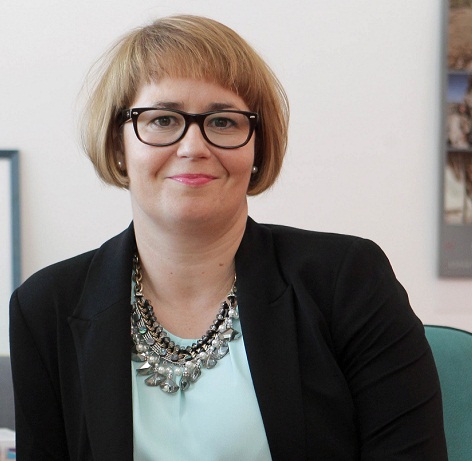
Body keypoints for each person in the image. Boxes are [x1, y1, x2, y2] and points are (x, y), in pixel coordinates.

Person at [10, 15, 448, 461]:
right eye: (162, 119)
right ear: (119, 145)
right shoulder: (46, 307)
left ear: (257, 147)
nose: (193, 147)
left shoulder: (347, 280)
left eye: (222, 121)